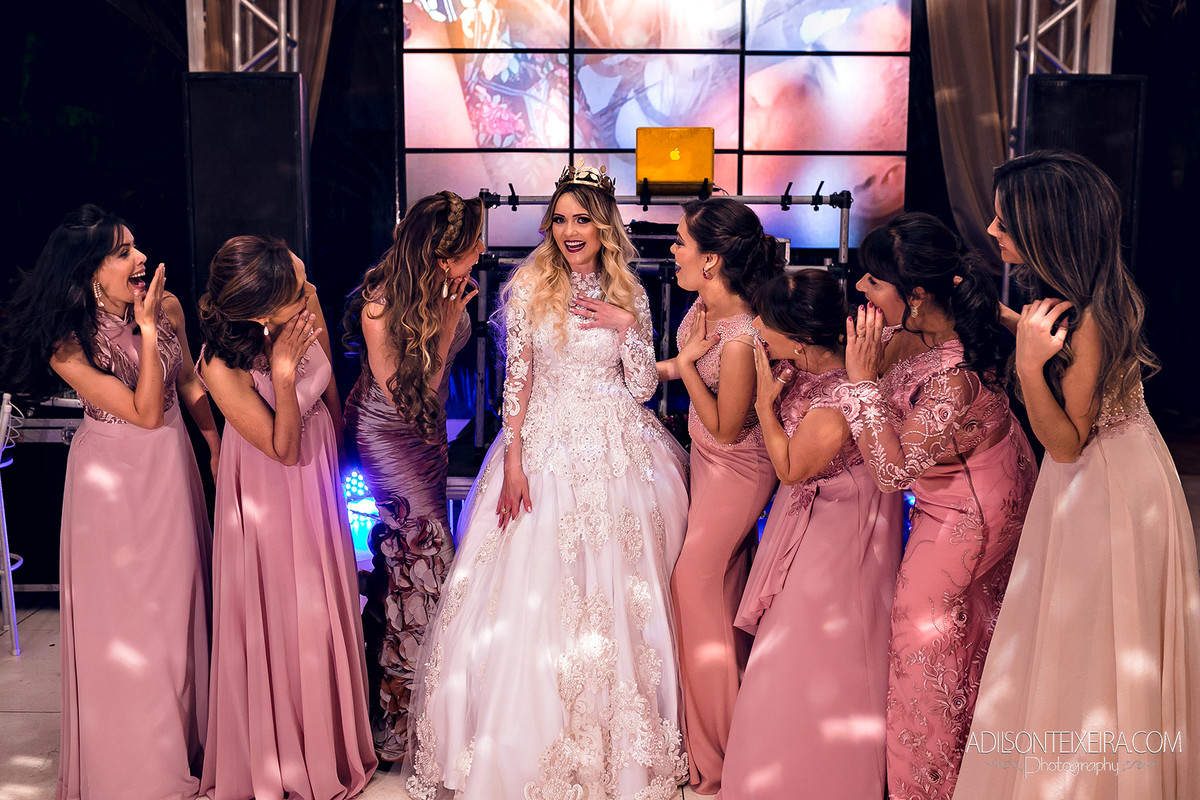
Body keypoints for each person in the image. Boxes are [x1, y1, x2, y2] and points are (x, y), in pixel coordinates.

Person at [401, 163, 691, 799]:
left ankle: (616, 745)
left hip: (616, 445)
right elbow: (518, 383)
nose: (568, 231)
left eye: (581, 219)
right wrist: (512, 463)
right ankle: (523, 741)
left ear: (603, 225)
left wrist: (626, 327)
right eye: (559, 220)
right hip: (546, 444)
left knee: (616, 592)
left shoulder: (631, 294)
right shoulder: (531, 286)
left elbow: (642, 387)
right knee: (531, 587)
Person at [955, 151, 1200, 798]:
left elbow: (1064, 442)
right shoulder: (1096, 296)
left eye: (1005, 220)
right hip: (1125, 470)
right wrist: (1009, 323)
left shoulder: (1088, 322)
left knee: (1086, 639)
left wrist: (1030, 365)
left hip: (1102, 489)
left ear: (1046, 230)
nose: (991, 230)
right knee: (1089, 637)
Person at [0, 205, 216, 799]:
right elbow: (145, 411)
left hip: (173, 470)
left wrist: (216, 450)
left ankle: (185, 742)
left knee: (178, 615)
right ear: (92, 272)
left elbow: (188, 386)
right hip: (113, 489)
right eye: (123, 252)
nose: (140, 258)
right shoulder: (66, 344)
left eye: (136, 247)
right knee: (131, 625)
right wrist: (145, 330)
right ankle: (137, 766)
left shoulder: (165, 308)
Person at [831, 212, 1038, 800]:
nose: (861, 289)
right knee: (964, 642)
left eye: (873, 280)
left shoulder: (952, 377)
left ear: (915, 295)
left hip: (967, 517)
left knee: (922, 643)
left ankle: (927, 788)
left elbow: (894, 471)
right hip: (978, 490)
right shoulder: (925, 331)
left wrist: (861, 384)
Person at [197, 235, 377, 800]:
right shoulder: (220, 365)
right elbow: (279, 447)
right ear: (258, 311)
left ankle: (327, 739)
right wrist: (279, 373)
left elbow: (327, 395)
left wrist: (342, 459)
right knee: (287, 612)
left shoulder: (302, 299)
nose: (308, 295)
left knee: (323, 607)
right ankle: (283, 754)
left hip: (316, 474)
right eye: (295, 292)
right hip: (269, 488)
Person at [715, 269, 902, 799]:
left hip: (837, 536)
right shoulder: (808, 371)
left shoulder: (835, 402)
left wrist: (763, 408)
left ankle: (819, 775)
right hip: (816, 520)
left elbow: (792, 468)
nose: (756, 326)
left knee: (810, 648)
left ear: (799, 340)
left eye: (766, 322)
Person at [342, 191, 483, 761]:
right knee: (419, 562)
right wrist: (448, 327)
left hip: (428, 439)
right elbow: (408, 399)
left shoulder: (446, 287)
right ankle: (405, 719)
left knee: (406, 566)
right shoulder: (380, 306)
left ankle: (420, 705)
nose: (481, 250)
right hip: (387, 436)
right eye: (472, 242)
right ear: (443, 256)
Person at [656, 196, 782, 794]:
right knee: (721, 593)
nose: (673, 251)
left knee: (692, 584)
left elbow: (729, 426)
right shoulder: (701, 305)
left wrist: (681, 369)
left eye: (681, 242)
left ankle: (722, 753)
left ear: (710, 261)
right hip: (705, 462)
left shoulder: (740, 339)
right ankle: (723, 731)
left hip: (737, 468)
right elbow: (680, 371)